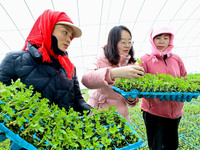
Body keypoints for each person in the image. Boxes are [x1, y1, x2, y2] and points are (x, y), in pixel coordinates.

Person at [0, 9, 92, 115]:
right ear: (48, 28)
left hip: (60, 130)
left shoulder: (70, 69)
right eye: (65, 32)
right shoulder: (14, 60)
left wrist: (93, 112)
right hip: (24, 130)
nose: (69, 39)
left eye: (71, 36)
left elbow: (78, 100)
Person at [81, 25, 145, 123]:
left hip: (121, 115)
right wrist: (114, 73)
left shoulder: (132, 64)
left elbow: (133, 97)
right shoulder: (100, 59)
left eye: (129, 42)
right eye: (123, 42)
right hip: (99, 113)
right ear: (113, 43)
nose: (127, 45)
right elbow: (86, 80)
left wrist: (131, 98)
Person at [140, 26, 187, 150]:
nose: (162, 41)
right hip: (154, 113)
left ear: (170, 40)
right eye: (158, 38)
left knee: (172, 146)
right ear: (152, 40)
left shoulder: (176, 59)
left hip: (175, 113)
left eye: (165, 38)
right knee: (157, 147)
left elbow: (184, 78)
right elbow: (138, 83)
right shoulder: (145, 60)